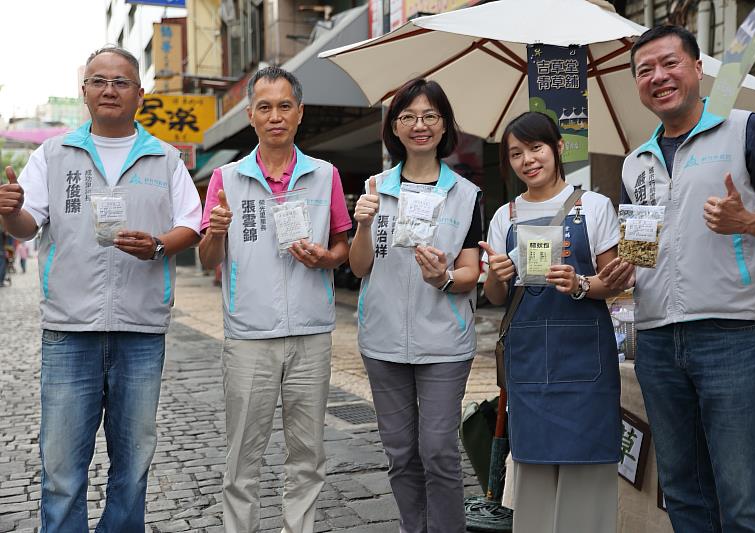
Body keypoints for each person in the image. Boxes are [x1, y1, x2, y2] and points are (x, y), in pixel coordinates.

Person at [0, 45, 201, 532]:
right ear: (84, 92)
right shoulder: (53, 154)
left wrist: (157, 244)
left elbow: (191, 226)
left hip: (141, 331)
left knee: (132, 470)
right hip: (69, 332)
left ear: (140, 94)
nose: (109, 89)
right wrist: (8, 210)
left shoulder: (166, 158)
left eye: (121, 81)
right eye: (98, 80)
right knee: (62, 472)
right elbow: (28, 226)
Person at [623, 25, 755, 532]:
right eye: (644, 71)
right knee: (682, 492)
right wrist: (622, 268)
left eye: (669, 63)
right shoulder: (637, 161)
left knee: (744, 501)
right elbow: (643, 250)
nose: (658, 77)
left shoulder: (748, 129)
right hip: (656, 340)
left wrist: (748, 222)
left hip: (733, 335)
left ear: (698, 69)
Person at [198, 66, 351, 533]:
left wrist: (326, 257)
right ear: (251, 115)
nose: (276, 115)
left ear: (300, 113)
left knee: (308, 454)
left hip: (311, 333)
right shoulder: (226, 179)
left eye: (285, 106)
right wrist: (216, 233)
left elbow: (343, 245)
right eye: (265, 107)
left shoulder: (325, 175)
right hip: (249, 336)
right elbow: (207, 260)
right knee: (243, 454)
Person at [481, 111, 632, 533]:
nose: (527, 159)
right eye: (515, 153)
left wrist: (581, 282)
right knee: (532, 476)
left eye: (535, 148)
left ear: (558, 148)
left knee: (589, 477)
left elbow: (612, 283)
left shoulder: (595, 206)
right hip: (528, 366)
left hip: (586, 364)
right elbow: (495, 298)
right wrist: (497, 274)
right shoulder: (504, 217)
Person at [349, 78, 482, 532]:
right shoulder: (375, 186)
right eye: (408, 117)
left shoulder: (466, 195)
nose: (419, 125)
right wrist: (363, 227)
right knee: (401, 453)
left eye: (430, 116)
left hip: (444, 341)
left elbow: (471, 272)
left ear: (445, 125)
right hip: (383, 340)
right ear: (395, 127)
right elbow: (360, 266)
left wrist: (442, 277)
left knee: (439, 450)